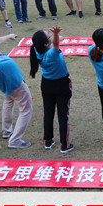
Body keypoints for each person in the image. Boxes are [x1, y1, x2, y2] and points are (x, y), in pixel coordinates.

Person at [29, 25, 73, 153]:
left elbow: (56, 42)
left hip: (46, 85)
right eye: (49, 35)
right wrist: (57, 34)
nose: (51, 35)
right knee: (63, 115)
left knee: (48, 113)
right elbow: (56, 44)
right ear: (46, 43)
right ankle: (65, 145)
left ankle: (48, 140)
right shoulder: (52, 53)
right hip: (62, 85)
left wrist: (57, 37)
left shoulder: (36, 50)